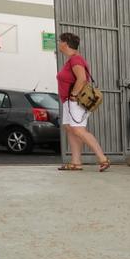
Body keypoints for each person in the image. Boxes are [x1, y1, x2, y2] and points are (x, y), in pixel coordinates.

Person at [55, 32, 109, 172]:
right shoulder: (71, 60)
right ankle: (76, 162)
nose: (59, 43)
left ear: (66, 43)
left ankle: (103, 159)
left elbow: (82, 78)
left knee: (78, 129)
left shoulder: (76, 59)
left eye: (60, 41)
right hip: (67, 101)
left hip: (75, 101)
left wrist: (74, 95)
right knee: (71, 129)